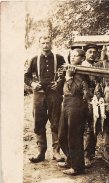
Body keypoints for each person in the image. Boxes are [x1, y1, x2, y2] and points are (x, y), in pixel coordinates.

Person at [24, 34, 65, 163]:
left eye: (47, 43)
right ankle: (40, 152)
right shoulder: (34, 59)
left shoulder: (59, 58)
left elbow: (65, 74)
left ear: (51, 43)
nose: (45, 45)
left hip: (54, 94)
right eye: (43, 43)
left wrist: (58, 83)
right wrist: (33, 84)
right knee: (39, 122)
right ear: (39, 44)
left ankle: (56, 152)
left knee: (56, 121)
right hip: (39, 94)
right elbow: (26, 76)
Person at [58, 49, 91, 175]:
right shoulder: (69, 69)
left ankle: (77, 167)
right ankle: (70, 160)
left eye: (76, 56)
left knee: (74, 136)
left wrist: (69, 78)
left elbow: (75, 90)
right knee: (62, 135)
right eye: (71, 56)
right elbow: (63, 89)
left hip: (77, 105)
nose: (73, 58)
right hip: (66, 104)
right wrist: (64, 78)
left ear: (82, 58)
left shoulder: (83, 72)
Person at [81, 44, 99, 167]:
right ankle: (85, 155)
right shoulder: (82, 66)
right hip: (84, 100)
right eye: (90, 52)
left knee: (95, 126)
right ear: (85, 54)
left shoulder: (98, 66)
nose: (92, 54)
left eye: (94, 52)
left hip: (96, 99)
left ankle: (91, 153)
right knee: (87, 128)